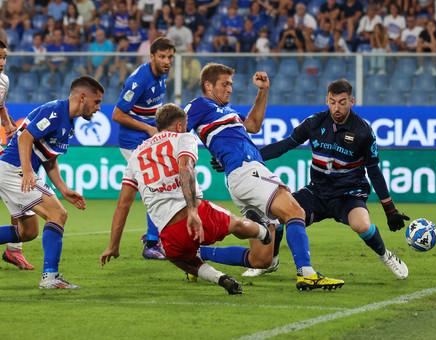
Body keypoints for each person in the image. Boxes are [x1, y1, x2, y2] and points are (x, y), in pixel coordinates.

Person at [211, 79, 410, 282]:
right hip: (317, 191)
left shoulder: (364, 132)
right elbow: (285, 144)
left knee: (361, 225)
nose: (337, 108)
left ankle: (386, 255)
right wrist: (243, 159)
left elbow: (373, 170)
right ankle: (272, 261)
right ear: (326, 100)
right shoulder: (315, 122)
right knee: (277, 217)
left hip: (348, 194)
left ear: (352, 101)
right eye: (332, 102)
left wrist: (390, 209)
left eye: (342, 102)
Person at [184, 63, 344, 291]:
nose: (230, 89)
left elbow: (254, 125)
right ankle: (307, 274)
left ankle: (195, 253)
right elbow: (177, 128)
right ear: (208, 85)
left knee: (261, 259)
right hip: (247, 170)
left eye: (231, 84)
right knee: (295, 211)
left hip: (240, 177)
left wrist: (263, 90)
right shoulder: (200, 105)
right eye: (225, 84)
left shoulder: (228, 113)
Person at [100, 104, 272, 294]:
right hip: (198, 216)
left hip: (169, 234)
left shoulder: (136, 156)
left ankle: (219, 278)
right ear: (181, 126)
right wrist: (192, 211)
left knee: (180, 259)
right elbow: (185, 168)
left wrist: (113, 247)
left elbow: (123, 206)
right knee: (237, 224)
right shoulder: (184, 138)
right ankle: (263, 232)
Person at [0, 75, 104, 288]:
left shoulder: (69, 122)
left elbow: (50, 159)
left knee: (28, 232)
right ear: (83, 97)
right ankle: (50, 277)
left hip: (13, 171)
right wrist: (28, 171)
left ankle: (50, 276)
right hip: (15, 170)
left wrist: (64, 190)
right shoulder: (55, 111)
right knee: (58, 214)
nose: (99, 108)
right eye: (97, 102)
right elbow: (24, 137)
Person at [112, 37, 175, 260]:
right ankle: (151, 243)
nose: (166, 61)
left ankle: (154, 237)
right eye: (162, 57)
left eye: (170, 57)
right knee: (155, 185)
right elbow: (117, 114)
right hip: (132, 141)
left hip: (148, 138)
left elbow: (153, 109)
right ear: (151, 56)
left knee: (161, 183)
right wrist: (148, 129)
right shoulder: (138, 80)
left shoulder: (162, 75)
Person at [0, 39, 34, 270]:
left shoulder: (4, 80)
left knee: (17, 190)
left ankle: (14, 250)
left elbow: (0, 105)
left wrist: (8, 124)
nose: (2, 62)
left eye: (4, 58)